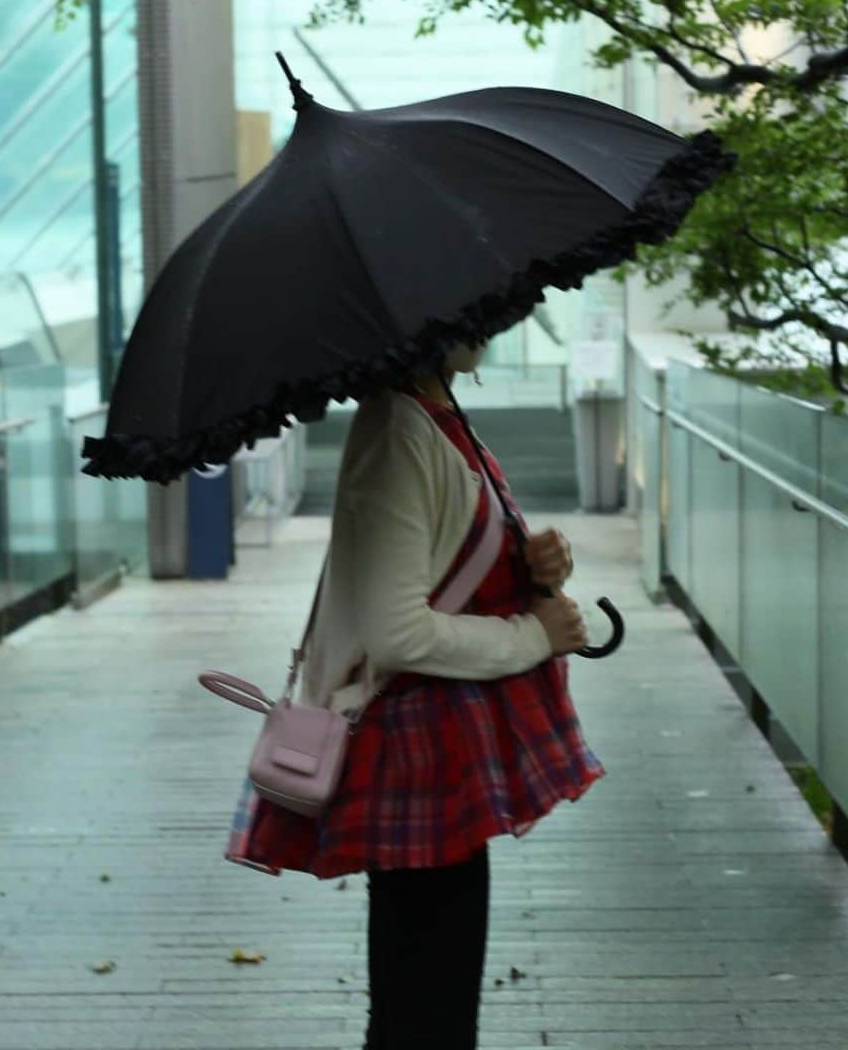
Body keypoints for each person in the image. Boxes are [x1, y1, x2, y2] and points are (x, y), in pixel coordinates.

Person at [225, 337, 607, 1049]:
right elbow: (398, 632)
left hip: (444, 759)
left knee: (433, 997)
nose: (494, 318)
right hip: (421, 762)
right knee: (425, 1011)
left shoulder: (435, 415)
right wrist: (534, 635)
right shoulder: (399, 429)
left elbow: (445, 559)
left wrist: (531, 561)